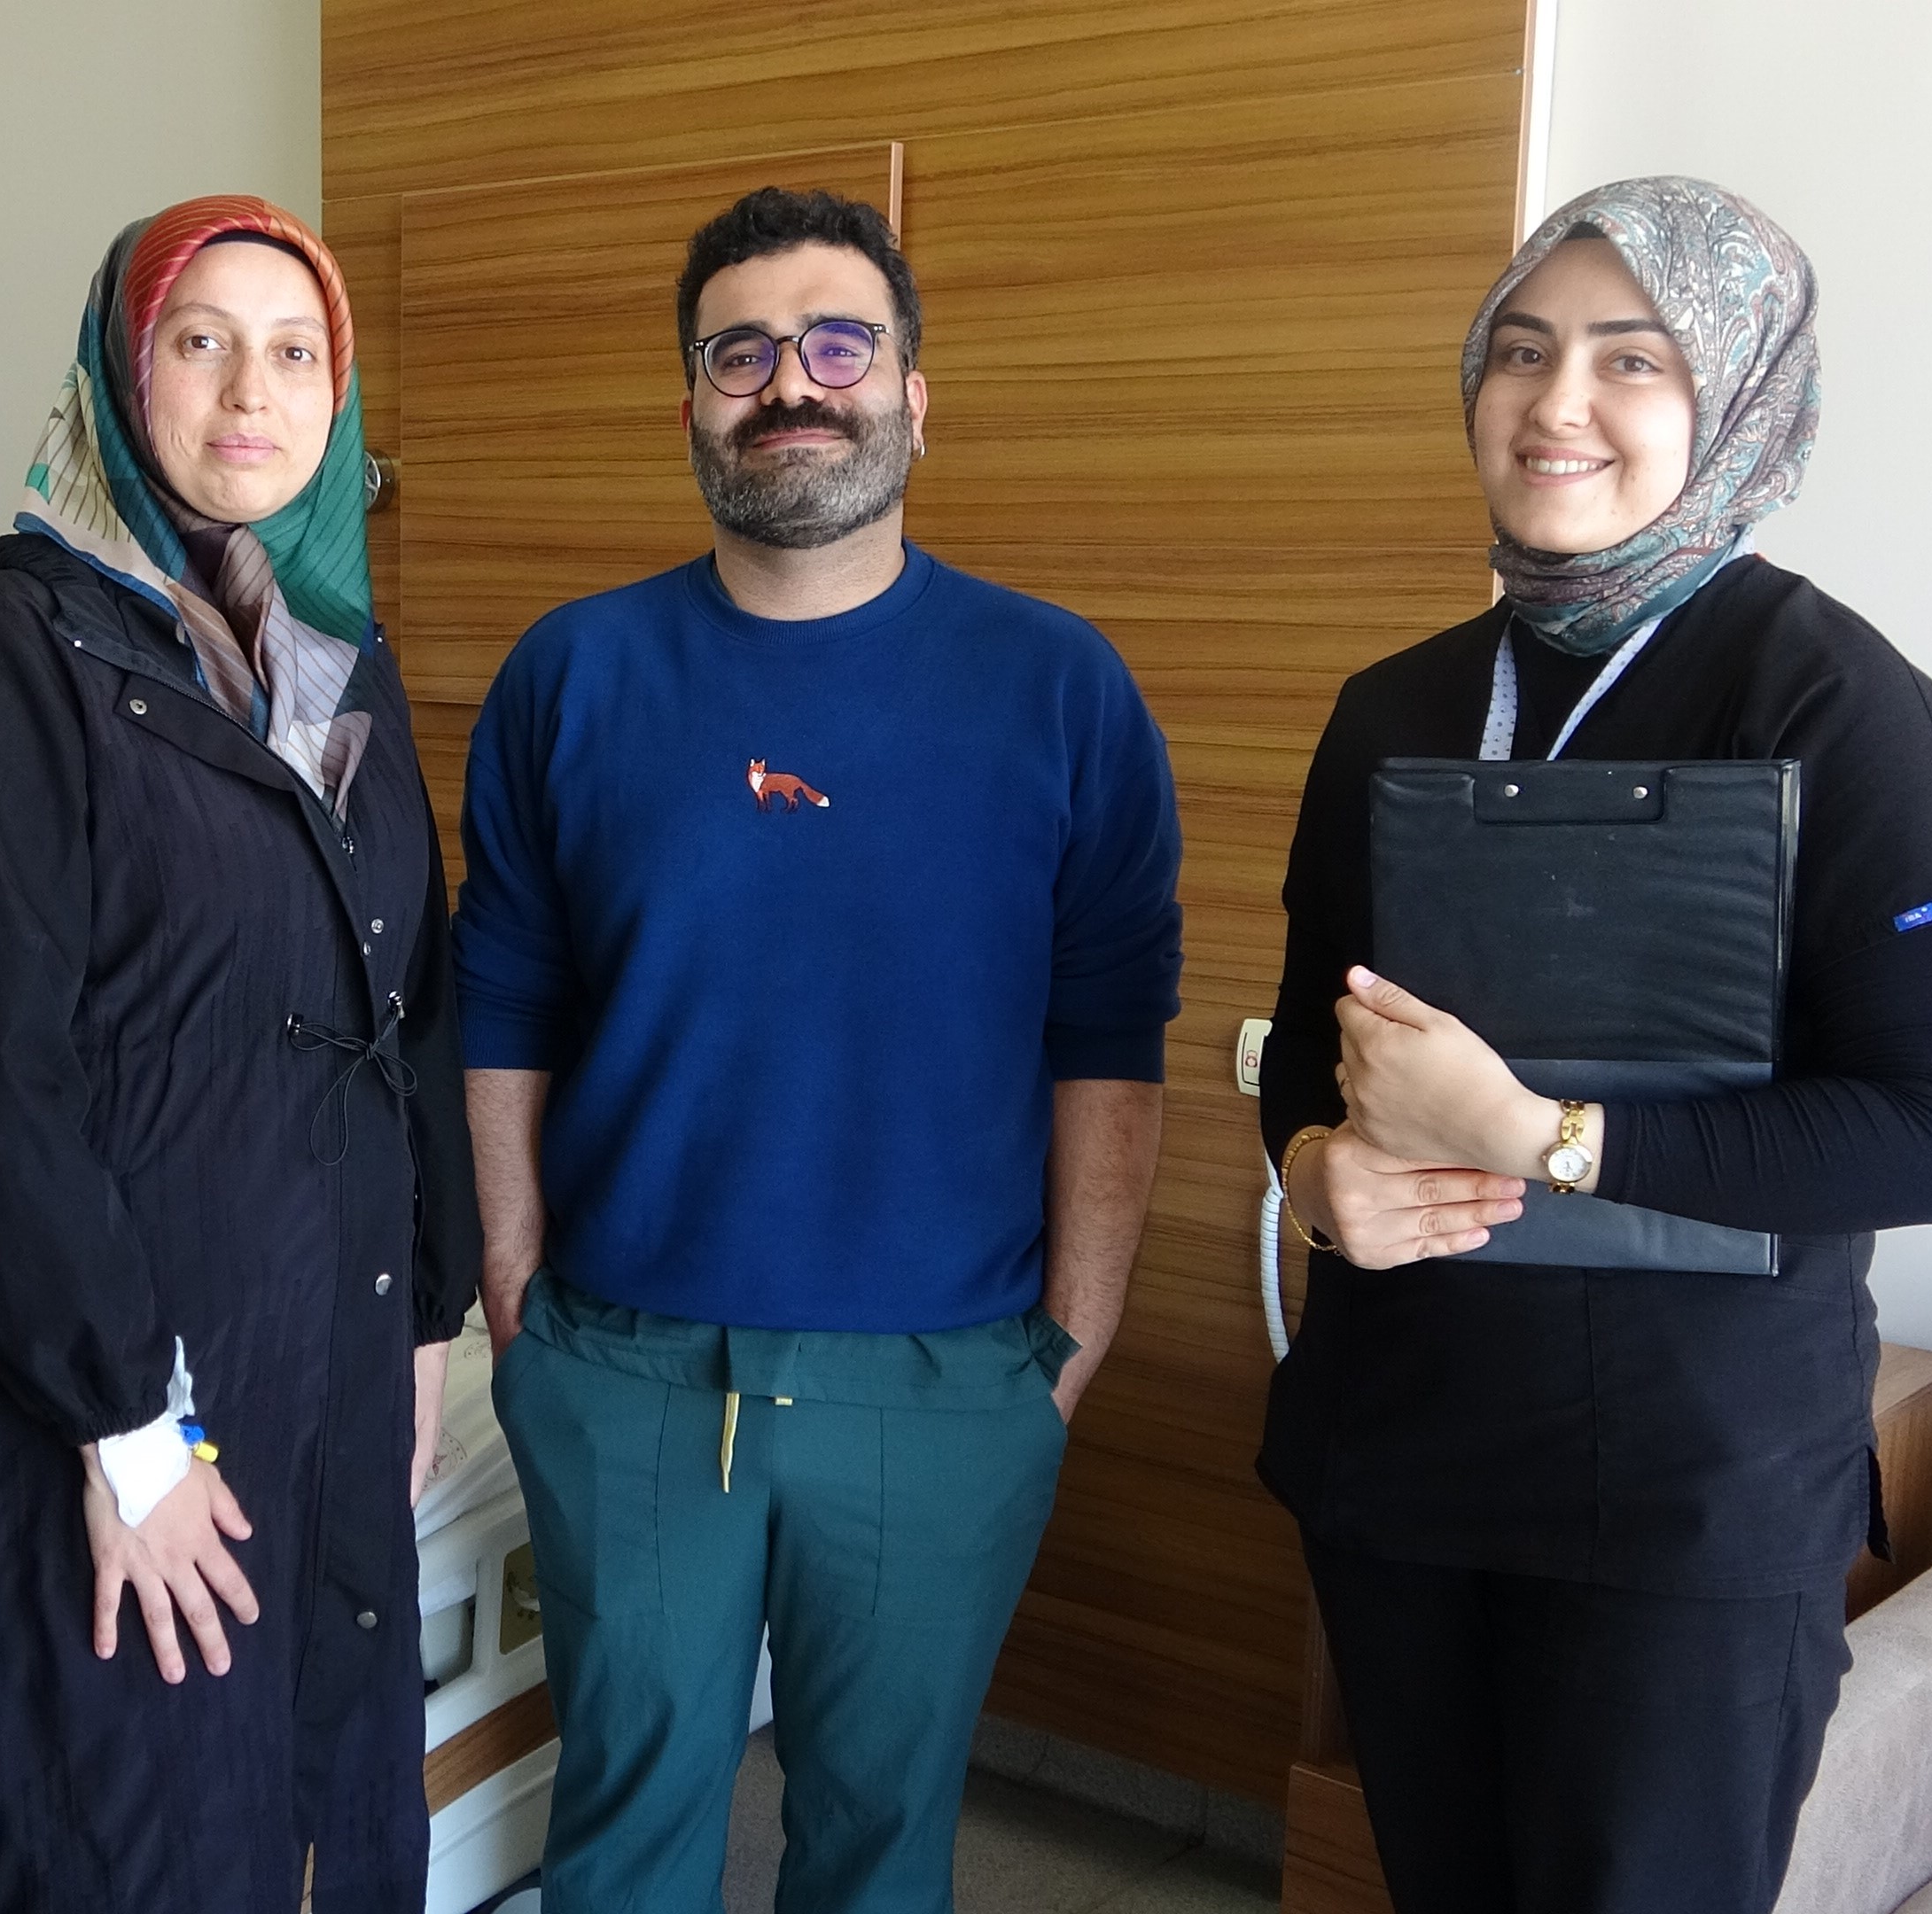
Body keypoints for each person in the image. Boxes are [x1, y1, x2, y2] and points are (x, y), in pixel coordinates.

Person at [1257, 178, 1932, 1914]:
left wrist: (1546, 1135)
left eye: (1631, 360)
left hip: (1685, 1506)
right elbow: (1304, 1041)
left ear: (1736, 397)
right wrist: (1312, 1170)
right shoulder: (1393, 706)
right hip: (1406, 1465)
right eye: (1521, 351)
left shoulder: (1841, 706)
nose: (1558, 403)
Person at [456, 187, 1184, 1911]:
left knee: (878, 1842)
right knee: (622, 1835)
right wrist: (516, 1290)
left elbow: (1107, 1045)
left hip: (946, 1378)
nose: (792, 382)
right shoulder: (573, 673)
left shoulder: (1060, 687)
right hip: (625, 1367)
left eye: (839, 344)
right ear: (693, 405)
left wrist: (1064, 1354)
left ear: (916, 395)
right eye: (743, 353)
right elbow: (505, 1003)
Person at [0, 197, 478, 1911]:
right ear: (123, 377)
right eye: (200, 343)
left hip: (323, 1340)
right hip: (112, 1385)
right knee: (120, 1825)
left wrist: (424, 1316)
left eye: (294, 353)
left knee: (309, 1810)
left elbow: (411, 1004)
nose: (250, 394)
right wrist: (130, 1430)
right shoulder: (4, 655)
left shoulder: (336, 661)